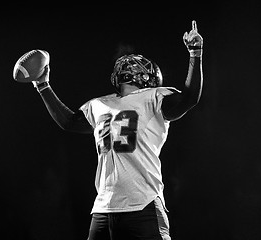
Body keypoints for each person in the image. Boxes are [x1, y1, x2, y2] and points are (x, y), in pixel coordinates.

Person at [30, 20, 203, 240]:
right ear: (146, 75)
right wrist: (42, 85)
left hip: (143, 203)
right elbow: (69, 123)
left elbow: (189, 99)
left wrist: (196, 54)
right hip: (105, 207)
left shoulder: (150, 98)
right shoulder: (104, 104)